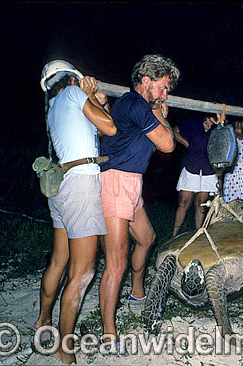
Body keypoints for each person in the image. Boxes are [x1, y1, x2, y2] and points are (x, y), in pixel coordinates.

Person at [35, 60, 117, 364]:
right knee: (83, 271)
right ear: (73, 79)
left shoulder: (53, 105)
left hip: (60, 186)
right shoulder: (72, 95)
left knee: (59, 260)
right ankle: (63, 346)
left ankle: (42, 320)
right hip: (81, 185)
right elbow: (109, 127)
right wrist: (92, 97)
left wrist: (96, 101)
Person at [98, 54, 180, 351]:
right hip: (116, 181)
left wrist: (157, 109)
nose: (165, 94)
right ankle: (109, 334)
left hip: (131, 182)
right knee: (116, 261)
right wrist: (161, 114)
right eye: (163, 87)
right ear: (146, 81)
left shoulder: (138, 105)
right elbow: (168, 145)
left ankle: (136, 292)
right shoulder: (134, 104)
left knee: (147, 239)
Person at [172, 115, 217, 237]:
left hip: (208, 170)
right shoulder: (194, 122)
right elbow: (175, 131)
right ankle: (174, 235)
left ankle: (198, 236)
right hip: (191, 167)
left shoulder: (218, 128)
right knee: (183, 202)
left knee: (201, 205)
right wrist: (186, 143)